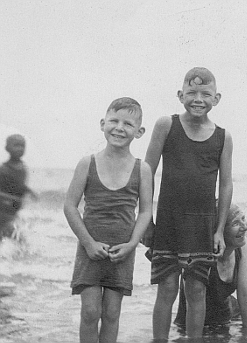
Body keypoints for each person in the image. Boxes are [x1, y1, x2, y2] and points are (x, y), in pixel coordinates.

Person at [145, 67, 234, 339]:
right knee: (168, 288)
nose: (198, 99)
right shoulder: (166, 125)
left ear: (216, 98)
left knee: (197, 290)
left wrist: (219, 230)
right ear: (180, 95)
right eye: (192, 92)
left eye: (205, 94)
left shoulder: (223, 137)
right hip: (169, 222)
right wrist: (146, 220)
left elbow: (226, 184)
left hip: (202, 225)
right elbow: (146, 171)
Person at [63, 97, 153, 343]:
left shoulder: (142, 169)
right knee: (90, 312)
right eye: (114, 121)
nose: (119, 128)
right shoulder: (87, 163)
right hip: (90, 249)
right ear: (103, 123)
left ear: (139, 132)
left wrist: (132, 244)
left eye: (128, 124)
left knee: (112, 313)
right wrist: (89, 243)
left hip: (121, 252)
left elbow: (145, 212)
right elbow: (70, 206)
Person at [173, 203, 247, 331]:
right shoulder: (201, 256)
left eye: (243, 219)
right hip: (192, 326)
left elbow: (245, 295)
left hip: (226, 321)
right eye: (235, 223)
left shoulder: (241, 247)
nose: (244, 227)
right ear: (219, 231)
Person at [0, 134, 35, 240]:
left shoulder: (23, 168)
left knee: (16, 237)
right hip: (3, 210)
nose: (20, 148)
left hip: (14, 210)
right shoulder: (4, 169)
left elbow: (20, 186)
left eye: (22, 146)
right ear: (7, 148)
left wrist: (29, 191)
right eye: (16, 145)